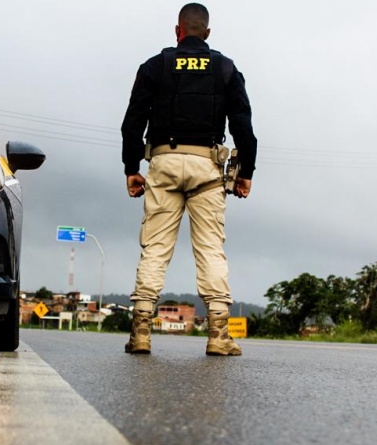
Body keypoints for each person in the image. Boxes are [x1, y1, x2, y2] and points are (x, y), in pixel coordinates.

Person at [120, 3, 257, 356]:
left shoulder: (155, 66)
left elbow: (133, 122)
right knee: (210, 248)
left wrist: (131, 168)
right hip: (207, 168)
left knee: (155, 249)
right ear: (207, 33)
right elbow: (243, 126)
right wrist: (246, 174)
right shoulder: (226, 68)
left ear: (177, 31)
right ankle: (218, 335)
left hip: (163, 163)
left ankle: (140, 333)